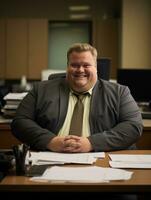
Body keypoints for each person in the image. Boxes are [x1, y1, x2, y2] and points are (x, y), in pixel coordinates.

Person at [11, 43, 143, 152]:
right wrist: (50, 141)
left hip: (103, 157)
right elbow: (20, 121)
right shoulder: (41, 90)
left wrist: (92, 143)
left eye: (86, 65)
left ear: (96, 68)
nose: (80, 70)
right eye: (74, 65)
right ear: (67, 67)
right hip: (51, 157)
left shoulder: (119, 93)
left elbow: (133, 126)